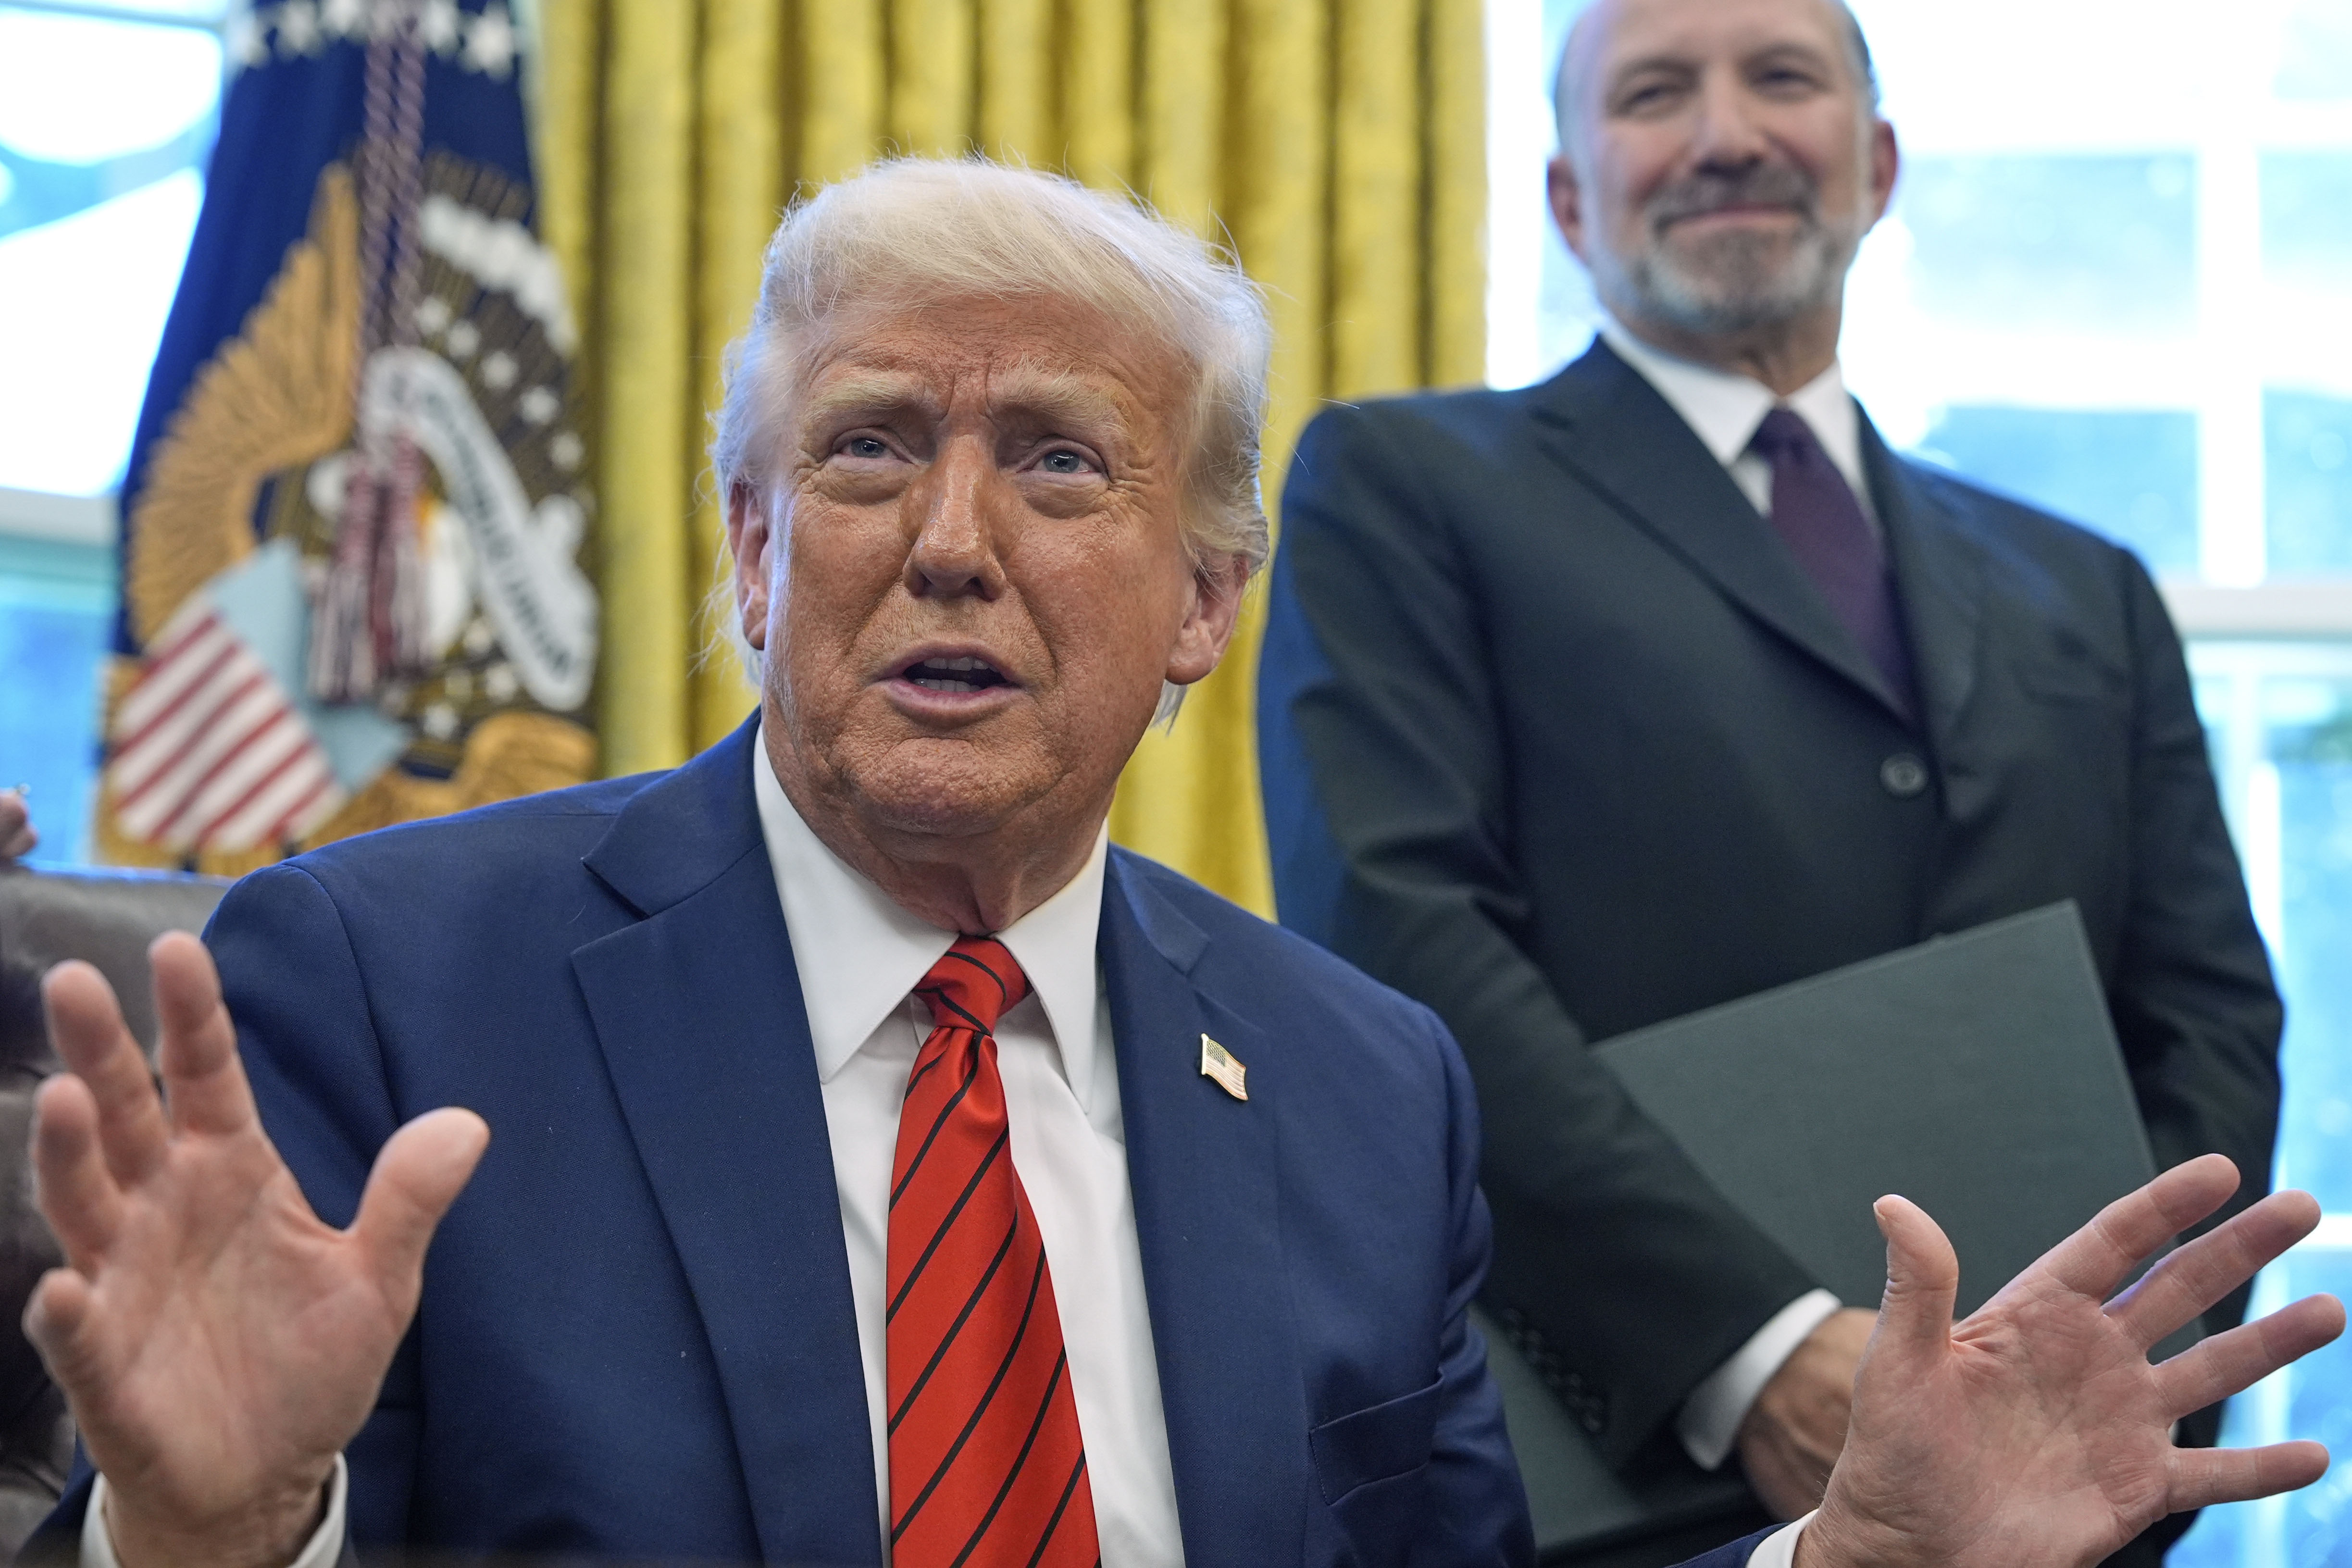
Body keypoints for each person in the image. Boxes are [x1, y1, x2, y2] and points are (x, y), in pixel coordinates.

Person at [20, 159, 2339, 1568]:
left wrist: (1848, 1567)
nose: (947, 541)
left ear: (1210, 599)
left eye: (1058, 463)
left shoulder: (1365, 1087)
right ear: (749, 550)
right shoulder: (394, 982)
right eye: (865, 451)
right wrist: (205, 1535)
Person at [1254, 0, 2284, 1558]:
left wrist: (2110, 1374)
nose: (1726, 133)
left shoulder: (2088, 583)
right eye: (1656, 92)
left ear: (1878, 165)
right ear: (1569, 197)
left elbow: (2208, 1011)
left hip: (2058, 1500)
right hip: (1637, 1485)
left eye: (1782, 78)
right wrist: (1752, 1355)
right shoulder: (1405, 488)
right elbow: (1398, 946)